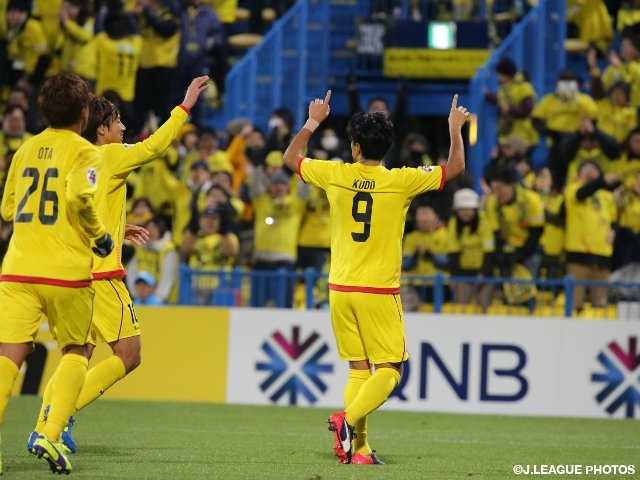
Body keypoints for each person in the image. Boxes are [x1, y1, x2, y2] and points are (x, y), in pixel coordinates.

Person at [283, 91, 469, 464]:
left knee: (359, 368)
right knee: (391, 369)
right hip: (378, 290)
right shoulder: (402, 180)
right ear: (387, 148)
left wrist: (313, 121)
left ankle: (360, 448)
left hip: (338, 288)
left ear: (354, 147)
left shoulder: (335, 174)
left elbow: (291, 158)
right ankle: (347, 421)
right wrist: (454, 128)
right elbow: (455, 169)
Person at [28, 75, 209, 454]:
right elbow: (156, 146)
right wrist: (186, 104)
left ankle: (43, 425)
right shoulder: (108, 154)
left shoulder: (74, 158)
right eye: (118, 122)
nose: (124, 127)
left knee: (78, 354)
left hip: (71, 271)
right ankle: (57, 420)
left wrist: (115, 224)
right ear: (103, 130)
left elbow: (74, 208)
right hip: (102, 275)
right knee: (129, 353)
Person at [0, 72, 114, 475]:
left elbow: (7, 210)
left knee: (8, 357)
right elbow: (79, 198)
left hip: (16, 270)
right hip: (65, 272)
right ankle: (49, 433)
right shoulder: (87, 154)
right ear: (84, 112)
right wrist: (100, 238)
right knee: (76, 351)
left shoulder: (25, 149)